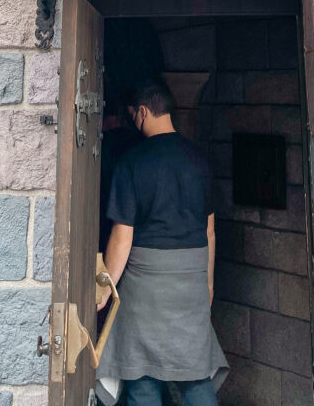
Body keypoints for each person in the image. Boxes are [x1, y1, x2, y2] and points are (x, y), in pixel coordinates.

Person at [95, 80, 228, 406]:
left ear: (141, 112)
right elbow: (209, 231)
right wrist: (207, 284)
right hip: (191, 282)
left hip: (146, 285)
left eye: (132, 116)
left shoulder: (133, 161)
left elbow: (122, 237)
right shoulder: (199, 160)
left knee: (142, 379)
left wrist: (104, 287)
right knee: (196, 375)